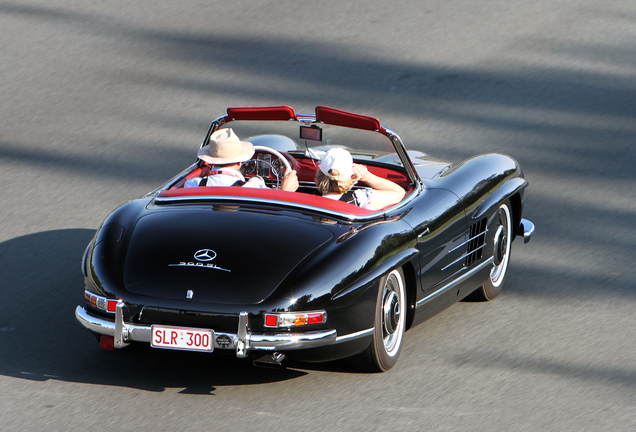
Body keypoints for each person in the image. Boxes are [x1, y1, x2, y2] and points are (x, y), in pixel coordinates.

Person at [184, 128, 298, 191]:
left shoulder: (192, 185)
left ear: (211, 161)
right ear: (240, 163)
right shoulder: (254, 189)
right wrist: (285, 191)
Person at [315, 147, 405, 210]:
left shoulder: (306, 198)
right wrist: (367, 177)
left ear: (319, 174)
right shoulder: (360, 199)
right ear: (352, 176)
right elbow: (399, 193)